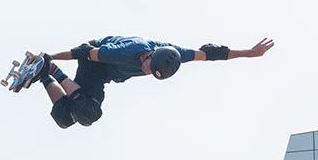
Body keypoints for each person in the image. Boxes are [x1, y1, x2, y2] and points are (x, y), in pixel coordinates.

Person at [20, 36, 274, 128]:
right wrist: (48, 56)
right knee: (89, 111)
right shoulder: (128, 50)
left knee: (67, 118)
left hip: (105, 75)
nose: (146, 72)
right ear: (149, 55)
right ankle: (48, 67)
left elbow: (210, 54)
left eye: (152, 73)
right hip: (95, 60)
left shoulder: (175, 54)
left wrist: (249, 53)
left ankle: (43, 76)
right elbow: (82, 53)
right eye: (148, 67)